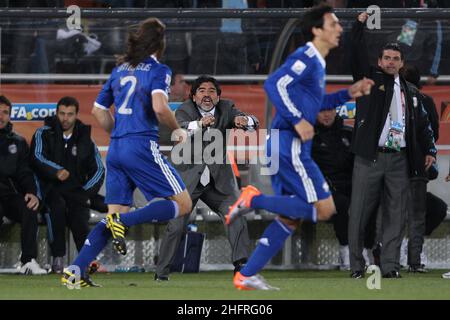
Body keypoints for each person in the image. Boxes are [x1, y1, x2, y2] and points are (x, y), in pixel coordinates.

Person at [224, 4, 374, 290]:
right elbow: (274, 83)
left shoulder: (317, 63)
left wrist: (347, 93)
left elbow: (316, 105)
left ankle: (247, 274)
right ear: (317, 30)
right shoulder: (307, 56)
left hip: (286, 144)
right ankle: (252, 199)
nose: (339, 28)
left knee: (291, 217)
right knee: (325, 208)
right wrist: (297, 120)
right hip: (288, 143)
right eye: (333, 24)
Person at [61, 17, 193, 288]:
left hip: (117, 148)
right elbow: (159, 106)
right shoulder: (159, 70)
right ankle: (125, 219)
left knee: (111, 220)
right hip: (142, 146)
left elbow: (99, 111)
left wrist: (119, 134)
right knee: (183, 204)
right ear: (161, 44)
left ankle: (75, 270)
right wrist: (177, 130)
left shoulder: (119, 70)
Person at [348, 12, 436, 279]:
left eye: (395, 59)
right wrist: (359, 25)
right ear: (379, 61)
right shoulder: (369, 81)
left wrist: (430, 150)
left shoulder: (410, 92)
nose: (390, 62)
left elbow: (421, 126)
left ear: (401, 63)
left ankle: (390, 267)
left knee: (396, 217)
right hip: (369, 158)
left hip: (399, 159)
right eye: (386, 58)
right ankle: (356, 266)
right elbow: (355, 52)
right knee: (359, 213)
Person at [155, 75, 258, 281]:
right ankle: (162, 273)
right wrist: (199, 124)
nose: (207, 94)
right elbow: (180, 129)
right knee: (175, 225)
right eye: (201, 90)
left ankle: (242, 266)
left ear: (218, 97)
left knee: (236, 213)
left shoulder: (227, 109)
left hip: (218, 179)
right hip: (187, 177)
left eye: (212, 91)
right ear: (193, 96)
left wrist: (244, 121)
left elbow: (254, 123)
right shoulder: (185, 110)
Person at [30, 96, 105, 274]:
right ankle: (58, 259)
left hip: (76, 191)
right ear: (56, 113)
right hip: (50, 189)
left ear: (76, 115)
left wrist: (85, 194)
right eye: (62, 113)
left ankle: (87, 260)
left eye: (70, 114)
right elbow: (36, 156)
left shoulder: (85, 139)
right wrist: (55, 171)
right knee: (56, 208)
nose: (65, 118)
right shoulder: (43, 133)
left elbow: (99, 170)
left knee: (79, 214)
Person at [311, 108, 377, 270]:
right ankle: (346, 250)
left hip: (352, 186)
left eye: (330, 111)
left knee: (369, 201)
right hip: (321, 191)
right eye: (321, 112)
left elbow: (362, 163)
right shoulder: (309, 137)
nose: (326, 115)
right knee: (342, 204)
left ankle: (368, 249)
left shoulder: (349, 133)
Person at [400, 64, 447, 273]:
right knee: (414, 213)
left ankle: (402, 253)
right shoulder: (425, 100)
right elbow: (433, 134)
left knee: (395, 211)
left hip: (399, 164)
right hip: (416, 165)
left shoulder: (390, 97)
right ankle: (413, 257)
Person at [0, 95, 47, 275]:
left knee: (29, 208)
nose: (1, 116)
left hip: (10, 195)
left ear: (10, 116)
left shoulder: (18, 142)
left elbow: (25, 172)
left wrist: (31, 192)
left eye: (5, 112)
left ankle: (28, 261)